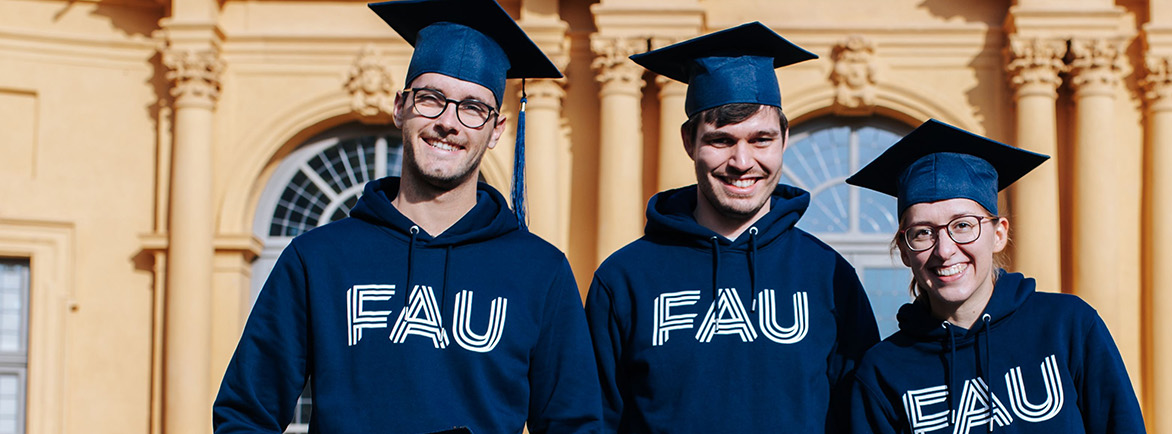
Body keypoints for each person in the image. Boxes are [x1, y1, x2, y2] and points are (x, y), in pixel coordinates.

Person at [212, 0, 602, 432]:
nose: (448, 122)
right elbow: (244, 414)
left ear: (496, 130)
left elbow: (574, 425)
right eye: (431, 98)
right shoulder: (318, 259)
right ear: (400, 107)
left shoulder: (538, 272)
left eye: (472, 107)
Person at [585, 22, 881, 434]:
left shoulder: (828, 277)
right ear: (690, 142)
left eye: (761, 139)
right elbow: (594, 419)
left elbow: (861, 418)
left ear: (784, 139)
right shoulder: (625, 279)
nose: (743, 161)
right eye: (722, 140)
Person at [844, 119, 1145, 433]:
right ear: (905, 251)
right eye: (923, 233)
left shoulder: (1068, 327)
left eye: (962, 225)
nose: (944, 250)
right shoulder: (883, 373)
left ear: (999, 233)